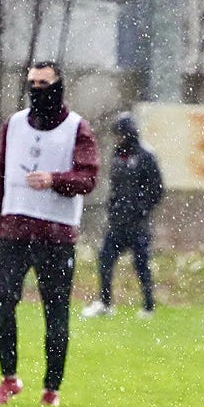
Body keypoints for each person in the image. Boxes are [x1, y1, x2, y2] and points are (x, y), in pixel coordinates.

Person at [0, 61, 100, 407]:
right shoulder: (13, 125)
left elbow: (88, 178)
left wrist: (55, 180)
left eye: (44, 83)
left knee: (56, 314)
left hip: (56, 236)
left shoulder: (77, 128)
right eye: (32, 83)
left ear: (58, 86)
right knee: (2, 302)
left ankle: (51, 389)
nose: (37, 90)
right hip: (14, 230)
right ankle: (9, 379)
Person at [82, 113, 164, 319]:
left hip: (138, 224)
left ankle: (148, 306)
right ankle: (105, 303)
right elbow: (116, 188)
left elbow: (157, 190)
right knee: (105, 259)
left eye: (120, 134)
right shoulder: (117, 156)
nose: (117, 138)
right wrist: (114, 209)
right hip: (118, 223)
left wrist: (140, 209)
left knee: (141, 264)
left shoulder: (146, 156)